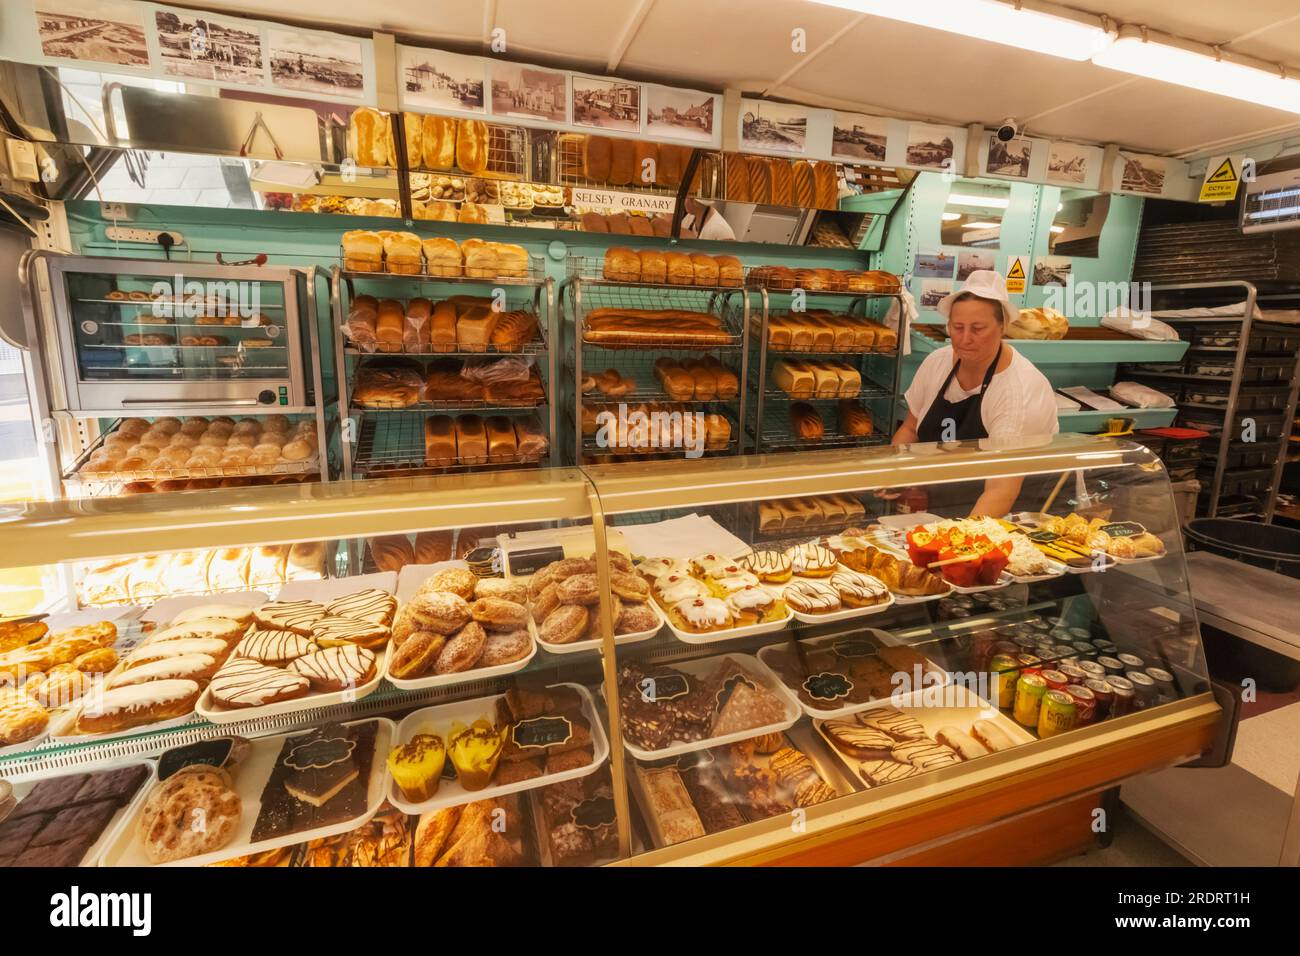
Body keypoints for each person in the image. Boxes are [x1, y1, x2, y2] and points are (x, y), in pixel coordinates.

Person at [891, 270, 1058, 517]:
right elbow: (911, 429)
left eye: (978, 329)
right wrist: (892, 473)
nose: (965, 339)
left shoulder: (1020, 390)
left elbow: (1001, 490)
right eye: (957, 327)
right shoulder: (937, 363)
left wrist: (959, 544)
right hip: (943, 506)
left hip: (1007, 519)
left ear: (1003, 328)